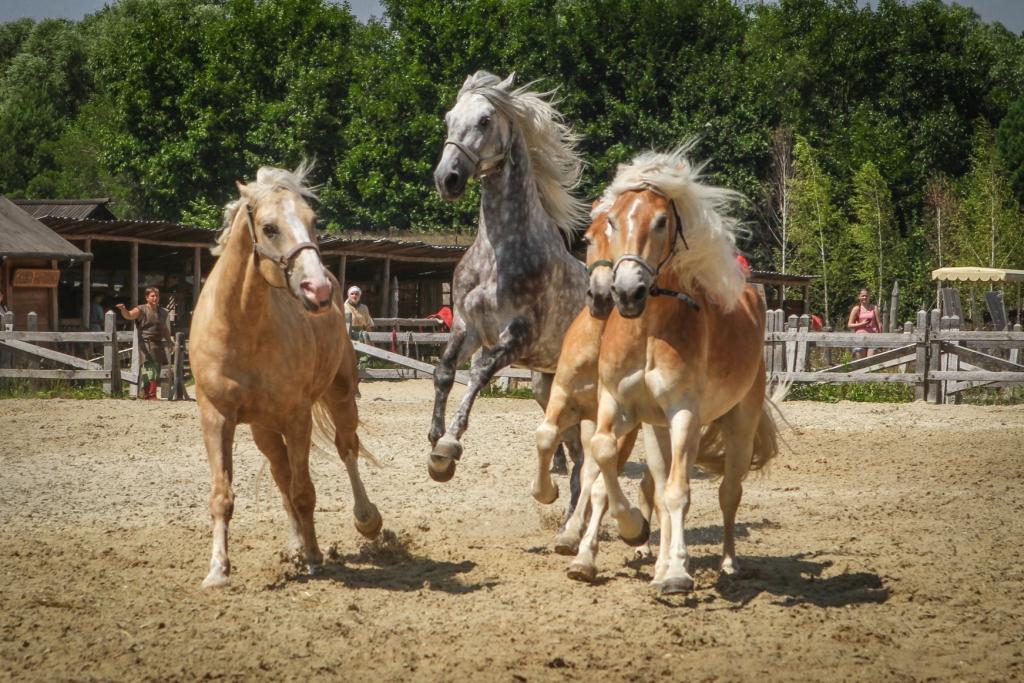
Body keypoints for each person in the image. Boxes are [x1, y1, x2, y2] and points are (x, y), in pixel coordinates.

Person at [117, 287, 172, 400]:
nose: (155, 298)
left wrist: (170, 341)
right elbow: (129, 315)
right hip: (146, 343)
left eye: (156, 296)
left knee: (156, 370)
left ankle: (147, 394)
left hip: (158, 344)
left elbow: (164, 328)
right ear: (147, 297)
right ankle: (150, 394)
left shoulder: (162, 312)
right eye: (152, 296)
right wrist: (123, 309)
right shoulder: (141, 309)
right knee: (149, 369)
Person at [848, 287, 882, 358]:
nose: (864, 297)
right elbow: (849, 325)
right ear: (859, 297)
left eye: (866, 296)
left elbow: (879, 324)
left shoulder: (874, 308)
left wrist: (880, 338)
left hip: (873, 337)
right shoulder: (856, 309)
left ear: (869, 296)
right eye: (862, 296)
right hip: (860, 337)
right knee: (861, 360)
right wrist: (862, 324)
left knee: (871, 360)